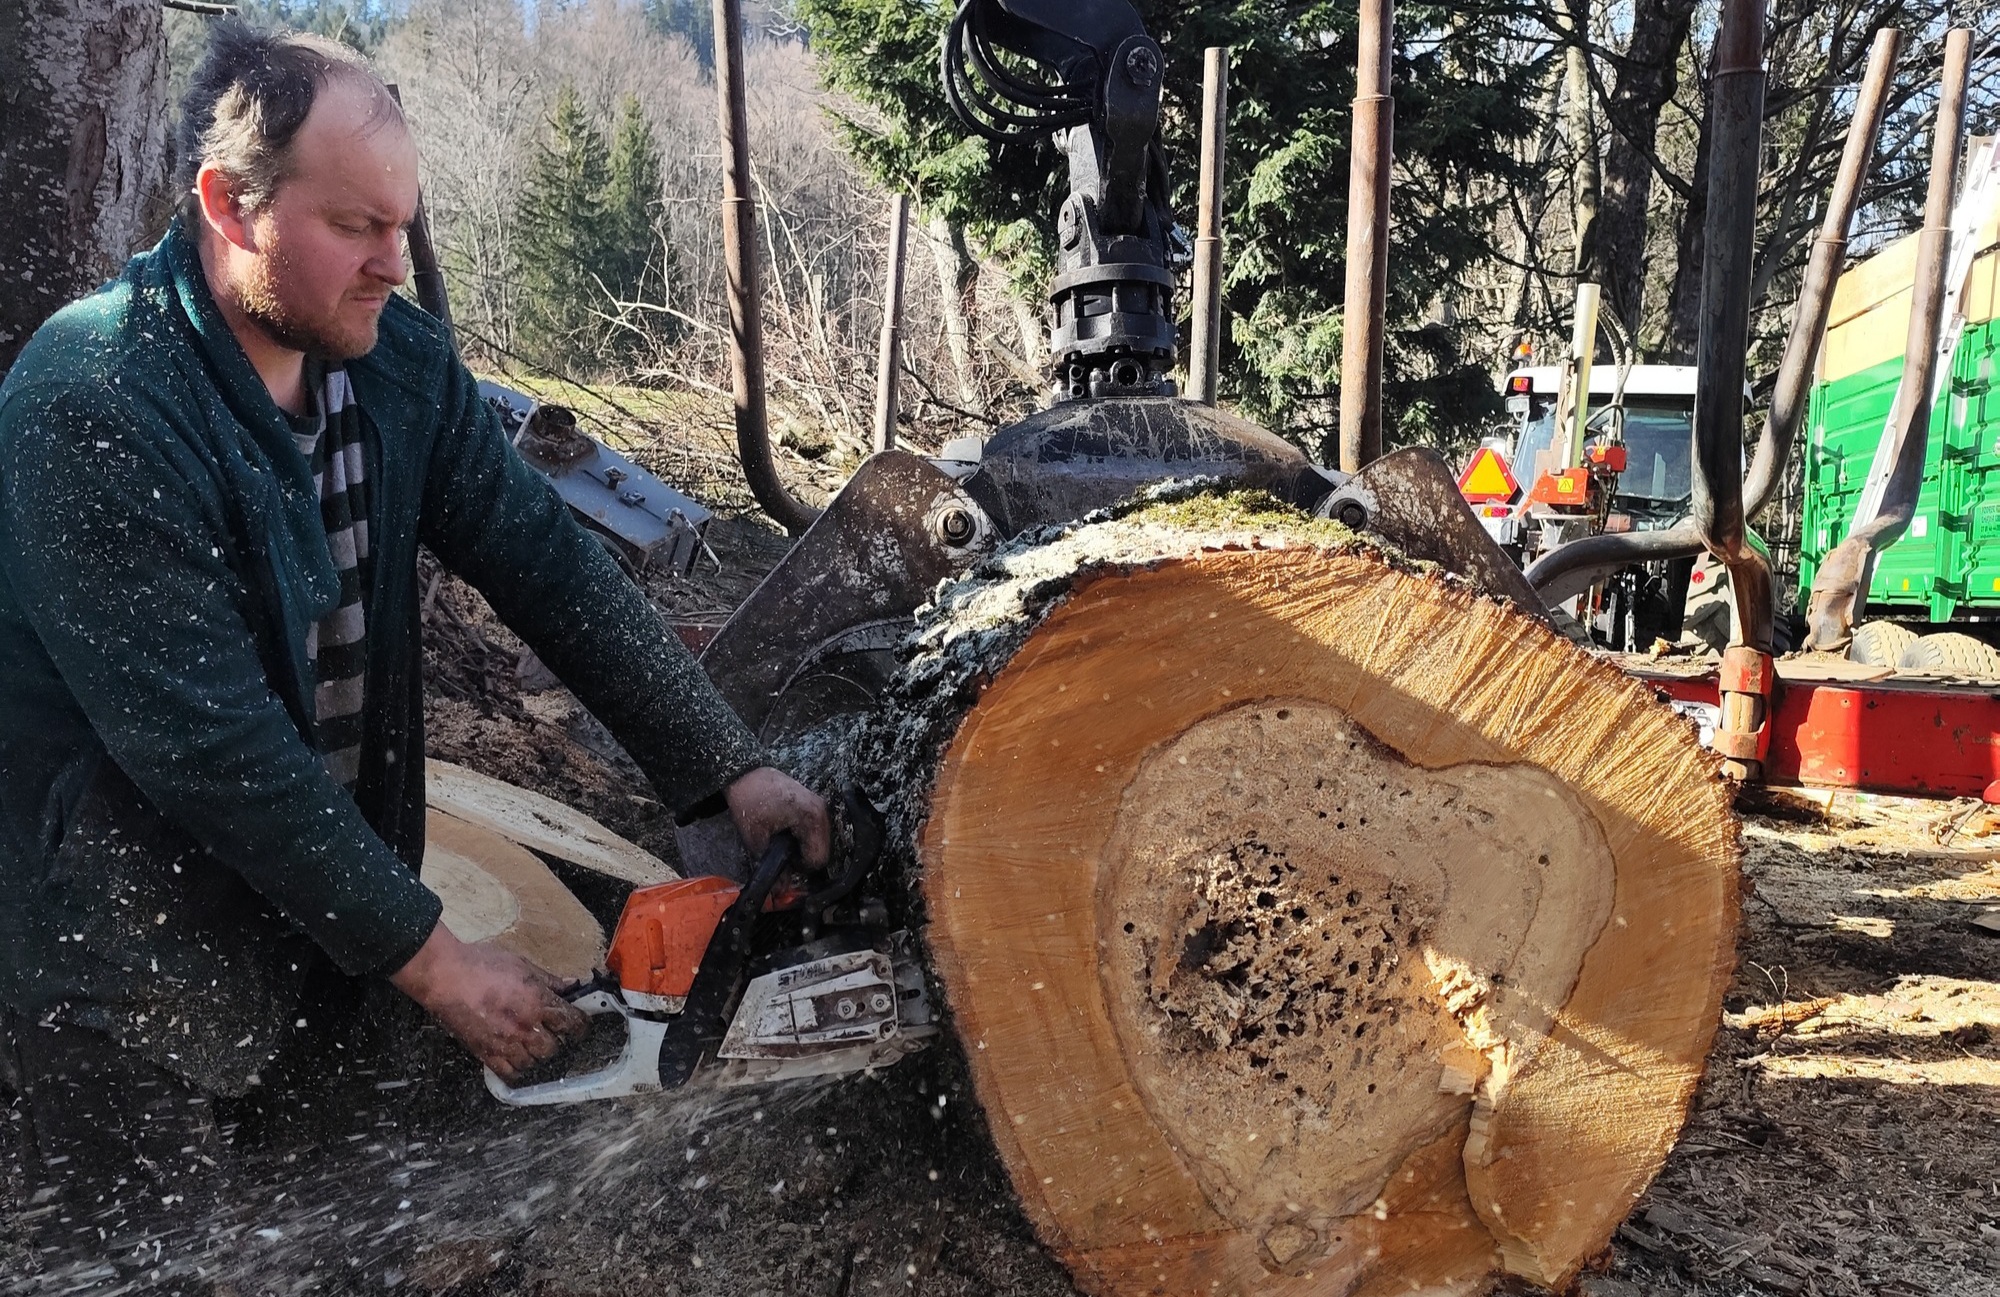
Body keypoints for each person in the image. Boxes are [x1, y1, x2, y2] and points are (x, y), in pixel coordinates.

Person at [0, 20, 828, 1234]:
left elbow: (548, 566)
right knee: (147, 1251)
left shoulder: (392, 367)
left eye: (404, 223)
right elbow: (206, 744)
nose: (395, 262)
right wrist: (433, 959)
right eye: (355, 227)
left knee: (351, 1236)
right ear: (230, 206)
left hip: (324, 897)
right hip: (117, 947)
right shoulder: (95, 399)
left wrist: (722, 765)